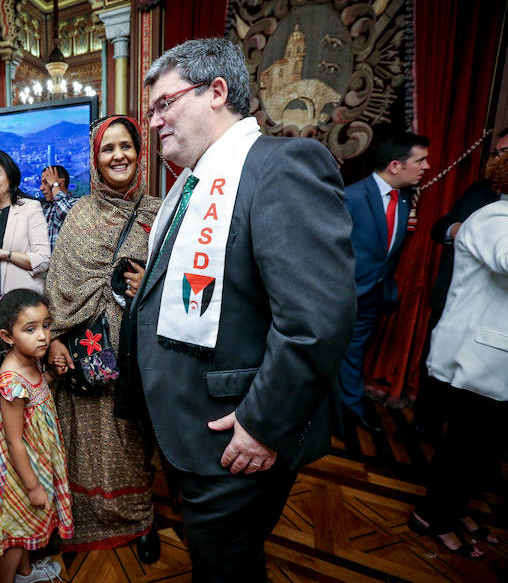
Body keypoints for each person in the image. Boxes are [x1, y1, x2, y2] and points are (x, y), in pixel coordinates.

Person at [129, 38, 355, 580]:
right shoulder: (193, 182)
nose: (154, 122)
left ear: (217, 92)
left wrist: (262, 425)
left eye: (164, 104)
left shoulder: (282, 167)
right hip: (189, 432)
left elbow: (314, 322)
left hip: (237, 440)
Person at [45, 115, 163, 560]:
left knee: (132, 441)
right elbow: (58, 283)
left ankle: (139, 520)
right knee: (83, 441)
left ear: (139, 152)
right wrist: (54, 338)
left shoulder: (158, 212)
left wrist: (149, 284)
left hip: (136, 355)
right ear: (96, 159)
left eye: (125, 147)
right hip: (83, 353)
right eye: (107, 149)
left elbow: (180, 284)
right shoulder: (78, 214)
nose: (118, 155)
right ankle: (80, 521)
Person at [409, 150, 508, 559]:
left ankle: (459, 510)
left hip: (493, 356)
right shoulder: (493, 218)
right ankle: (431, 516)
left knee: (484, 448)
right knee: (464, 447)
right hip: (476, 356)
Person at [412, 127, 505, 436]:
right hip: (457, 298)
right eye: (498, 153)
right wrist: (459, 232)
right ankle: (423, 425)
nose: (499, 158)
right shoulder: (488, 204)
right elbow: (441, 226)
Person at [338, 134, 430, 431]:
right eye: (420, 160)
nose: (426, 166)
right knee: (327, 353)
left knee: (354, 353)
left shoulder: (403, 198)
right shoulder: (351, 196)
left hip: (375, 296)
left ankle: (349, 409)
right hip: (342, 295)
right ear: (395, 165)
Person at [0, 289, 72, 583]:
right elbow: (14, 440)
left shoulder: (30, 360)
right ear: (8, 336)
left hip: (35, 460)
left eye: (46, 325)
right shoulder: (11, 381)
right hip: (17, 472)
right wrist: (32, 487)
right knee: (16, 533)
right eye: (30, 329)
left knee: (26, 525)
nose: (43, 336)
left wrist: (52, 376)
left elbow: (36, 390)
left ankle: (26, 573)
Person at [0, 151, 51, 296]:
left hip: (22, 303)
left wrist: (5, 254)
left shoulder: (30, 208)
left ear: (10, 176)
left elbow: (43, 260)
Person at [39, 165, 78, 250]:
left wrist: (54, 185)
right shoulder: (44, 208)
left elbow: (63, 211)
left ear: (61, 182)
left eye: (46, 182)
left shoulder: (77, 203)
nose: (41, 188)